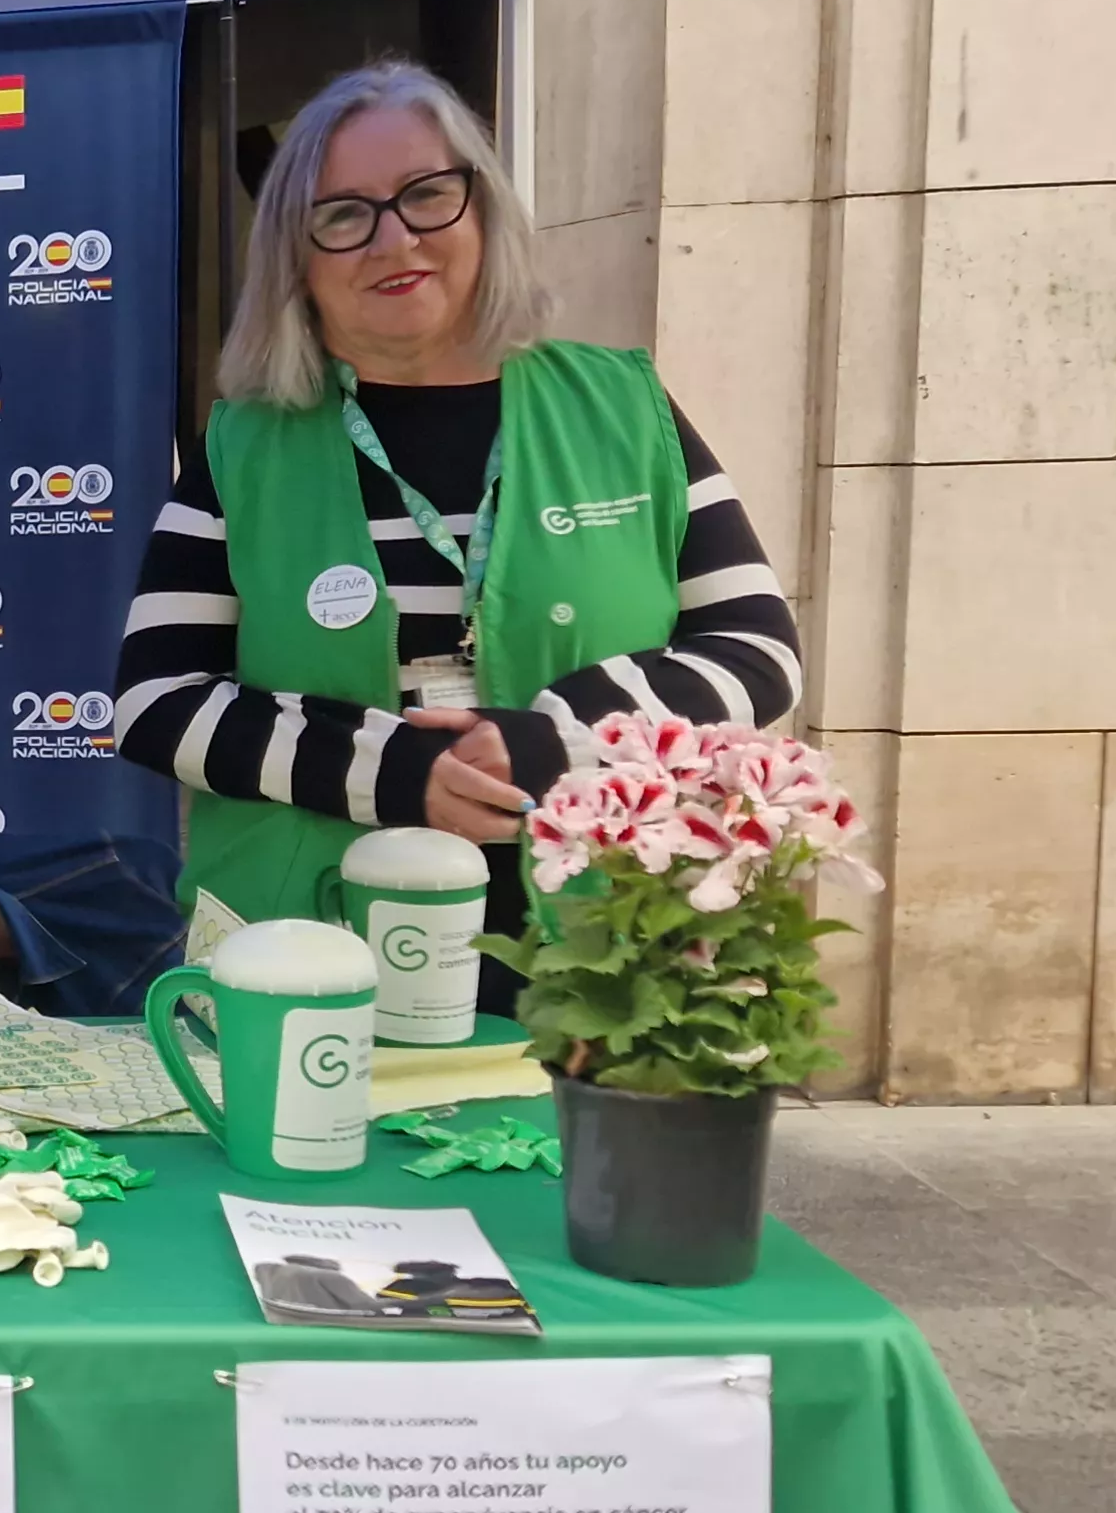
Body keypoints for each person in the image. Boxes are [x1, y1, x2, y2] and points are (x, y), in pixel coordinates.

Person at [111, 60, 801, 1005]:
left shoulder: (625, 410)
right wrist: (394, 772)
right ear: (295, 259)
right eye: (342, 214)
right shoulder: (245, 446)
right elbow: (155, 701)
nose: (393, 240)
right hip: (313, 955)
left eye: (426, 196)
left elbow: (757, 653)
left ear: (483, 211)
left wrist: (559, 738)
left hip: (610, 950)